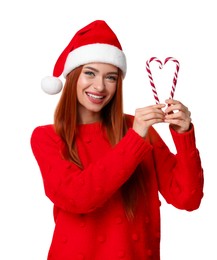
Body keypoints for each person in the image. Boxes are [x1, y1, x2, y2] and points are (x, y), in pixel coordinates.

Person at [30, 20, 204, 260]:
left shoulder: (138, 129)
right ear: (71, 77)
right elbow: (79, 197)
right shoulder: (47, 137)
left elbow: (188, 198)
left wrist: (184, 136)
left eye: (111, 77)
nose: (100, 86)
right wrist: (135, 139)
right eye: (89, 73)